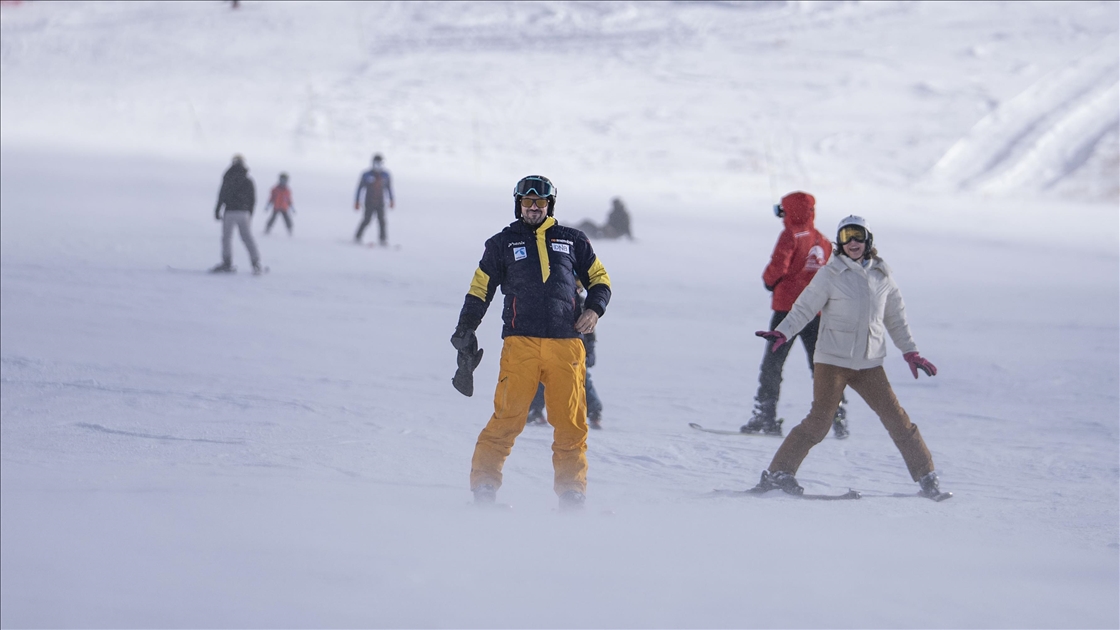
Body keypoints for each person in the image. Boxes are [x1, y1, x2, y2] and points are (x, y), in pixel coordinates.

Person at [752, 215, 946, 499]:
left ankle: (927, 477)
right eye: (846, 237)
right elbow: (804, 308)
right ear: (839, 243)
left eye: (857, 236)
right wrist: (784, 332)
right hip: (832, 361)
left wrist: (910, 351)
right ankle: (778, 474)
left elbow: (896, 318)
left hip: (869, 365)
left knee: (898, 420)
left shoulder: (883, 276)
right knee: (819, 422)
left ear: (868, 240)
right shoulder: (830, 274)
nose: (852, 242)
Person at [450, 175, 612, 511]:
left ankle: (572, 493)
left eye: (540, 202)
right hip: (519, 345)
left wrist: (595, 310)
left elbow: (600, 279)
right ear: (519, 204)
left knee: (570, 423)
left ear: (550, 204)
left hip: (566, 346)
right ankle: (483, 487)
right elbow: (480, 289)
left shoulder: (573, 240)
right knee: (507, 418)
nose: (534, 207)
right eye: (528, 202)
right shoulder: (501, 244)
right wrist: (466, 327)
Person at [741, 191, 848, 438]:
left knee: (773, 364)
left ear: (791, 211)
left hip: (787, 311)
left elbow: (778, 267)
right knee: (821, 366)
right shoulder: (822, 240)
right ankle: (838, 416)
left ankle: (765, 417)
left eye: (784, 210)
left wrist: (769, 282)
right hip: (816, 311)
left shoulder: (790, 235)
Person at [527, 284, 604, 430]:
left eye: (580, 288)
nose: (577, 290)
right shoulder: (552, 300)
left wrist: (590, 351)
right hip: (553, 346)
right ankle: (535, 409)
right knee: (542, 378)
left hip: (576, 350)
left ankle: (594, 412)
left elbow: (589, 332)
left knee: (582, 380)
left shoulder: (581, 305)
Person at [210, 155, 262, 274]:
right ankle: (256, 262)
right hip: (243, 212)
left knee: (227, 238)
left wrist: (217, 210)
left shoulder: (228, 178)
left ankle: (227, 262)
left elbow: (222, 195)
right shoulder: (248, 180)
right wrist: (250, 214)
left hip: (230, 212)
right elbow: (252, 200)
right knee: (247, 238)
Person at [353, 153, 395, 245]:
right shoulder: (366, 175)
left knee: (382, 221)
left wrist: (392, 200)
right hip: (369, 201)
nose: (378, 166)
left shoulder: (385, 175)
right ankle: (358, 237)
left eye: (380, 163)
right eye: (376, 163)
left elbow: (389, 188)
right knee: (366, 219)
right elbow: (360, 188)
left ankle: (383, 239)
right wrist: (357, 201)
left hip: (380, 202)